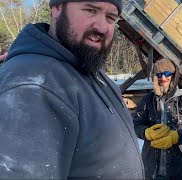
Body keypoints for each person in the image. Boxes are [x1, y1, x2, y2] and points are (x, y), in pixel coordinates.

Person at [0, 0, 144, 179]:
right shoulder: (36, 85)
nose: (101, 27)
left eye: (110, 17)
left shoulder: (89, 71)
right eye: (90, 10)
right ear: (57, 8)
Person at [133, 58, 182, 180]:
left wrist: (176, 136)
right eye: (159, 74)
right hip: (151, 169)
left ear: (174, 76)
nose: (163, 78)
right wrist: (146, 133)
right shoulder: (147, 100)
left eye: (167, 73)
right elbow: (136, 125)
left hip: (179, 168)